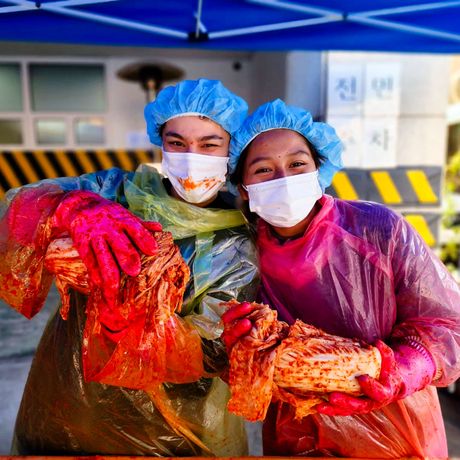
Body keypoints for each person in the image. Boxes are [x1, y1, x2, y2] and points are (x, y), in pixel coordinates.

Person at [0, 78, 258, 456]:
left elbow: (216, 353)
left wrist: (131, 310)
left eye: (209, 144)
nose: (192, 156)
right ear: (161, 144)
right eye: (177, 143)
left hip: (178, 428)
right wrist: (71, 209)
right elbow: (18, 212)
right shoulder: (115, 191)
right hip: (74, 402)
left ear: (230, 148)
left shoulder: (240, 241)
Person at [222, 98, 460, 458]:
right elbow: (222, 352)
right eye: (264, 170)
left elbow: (447, 325)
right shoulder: (242, 256)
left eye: (297, 164)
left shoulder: (378, 230)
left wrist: (405, 369)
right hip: (299, 438)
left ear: (319, 169)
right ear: (243, 188)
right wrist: (238, 352)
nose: (284, 179)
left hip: (398, 433)